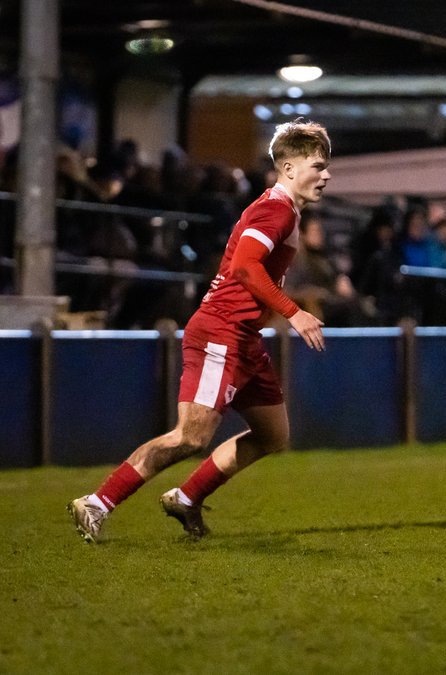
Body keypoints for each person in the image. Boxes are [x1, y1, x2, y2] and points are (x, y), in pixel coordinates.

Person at [67, 120, 332, 543]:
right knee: (190, 436)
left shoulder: (284, 209)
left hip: (243, 339)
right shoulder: (275, 209)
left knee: (273, 435)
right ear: (287, 169)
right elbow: (245, 267)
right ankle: (96, 503)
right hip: (220, 334)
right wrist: (293, 312)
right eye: (317, 165)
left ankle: (187, 498)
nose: (326, 175)